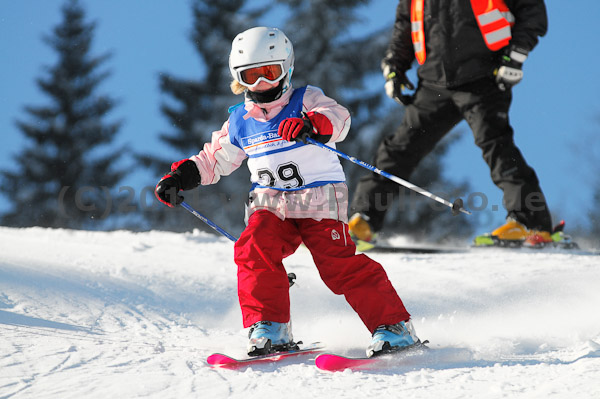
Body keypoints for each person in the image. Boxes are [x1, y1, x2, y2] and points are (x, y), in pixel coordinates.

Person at [155, 27, 420, 357]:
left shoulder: (305, 100)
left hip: (319, 200)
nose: (261, 84)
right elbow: (215, 159)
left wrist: (312, 125)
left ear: (287, 69)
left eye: (270, 73)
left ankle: (393, 326)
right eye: (251, 76)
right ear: (239, 79)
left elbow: (339, 118)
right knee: (253, 247)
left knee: (337, 266)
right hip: (271, 204)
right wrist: (181, 177)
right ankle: (271, 326)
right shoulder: (239, 122)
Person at [349, 0, 555, 247]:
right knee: (397, 151)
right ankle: (363, 221)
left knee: (496, 146)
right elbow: (406, 23)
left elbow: (532, 10)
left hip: (484, 79)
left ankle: (531, 224)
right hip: (433, 84)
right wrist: (395, 67)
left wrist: (515, 55)